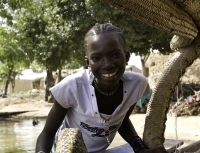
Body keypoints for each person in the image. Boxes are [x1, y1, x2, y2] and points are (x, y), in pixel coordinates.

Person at [35, 23, 167, 153]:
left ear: (126, 57)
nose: (108, 65)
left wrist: (140, 148)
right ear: (88, 63)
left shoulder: (136, 85)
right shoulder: (72, 87)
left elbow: (122, 121)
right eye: (97, 58)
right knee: (72, 139)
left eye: (115, 55)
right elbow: (47, 133)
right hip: (64, 150)